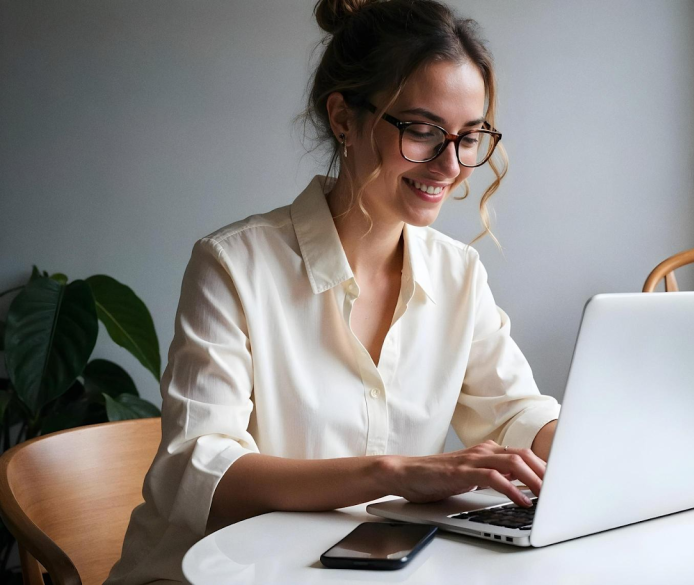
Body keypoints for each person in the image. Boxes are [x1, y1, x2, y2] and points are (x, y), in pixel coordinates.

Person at [104, 1, 560, 582]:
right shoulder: (234, 265)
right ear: (344, 118)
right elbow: (201, 471)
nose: (451, 164)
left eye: (469, 137)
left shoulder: (458, 274)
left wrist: (601, 445)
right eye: (422, 131)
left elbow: (516, 414)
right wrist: (393, 473)